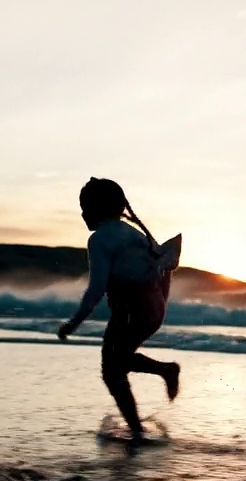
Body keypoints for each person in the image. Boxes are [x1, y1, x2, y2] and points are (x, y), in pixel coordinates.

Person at [58, 177, 181, 438]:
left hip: (131, 308)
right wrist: (157, 307)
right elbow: (160, 272)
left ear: (97, 209)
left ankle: (138, 429)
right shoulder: (134, 233)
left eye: (85, 207)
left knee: (112, 370)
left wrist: (74, 322)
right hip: (153, 307)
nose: (82, 213)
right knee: (118, 363)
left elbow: (96, 288)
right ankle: (139, 423)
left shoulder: (101, 239)